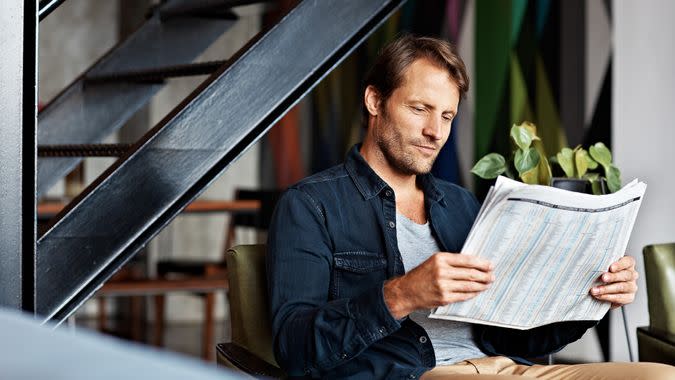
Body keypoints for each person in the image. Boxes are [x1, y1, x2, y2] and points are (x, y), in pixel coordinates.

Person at [266, 35, 674, 379]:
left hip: (508, 366)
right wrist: (401, 295)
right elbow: (294, 347)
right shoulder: (310, 205)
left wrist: (588, 296)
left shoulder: (459, 203)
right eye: (419, 109)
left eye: (447, 116)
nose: (435, 132)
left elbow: (517, 338)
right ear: (375, 101)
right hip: (419, 373)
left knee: (662, 375)